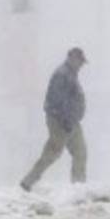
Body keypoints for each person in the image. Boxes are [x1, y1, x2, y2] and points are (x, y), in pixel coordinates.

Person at [20, 47, 88, 191]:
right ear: (72, 59)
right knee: (52, 153)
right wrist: (65, 119)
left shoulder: (70, 74)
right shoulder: (62, 74)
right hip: (61, 122)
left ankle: (79, 188)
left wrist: (73, 117)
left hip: (71, 121)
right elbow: (57, 100)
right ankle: (28, 181)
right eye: (80, 61)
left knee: (80, 152)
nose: (81, 65)